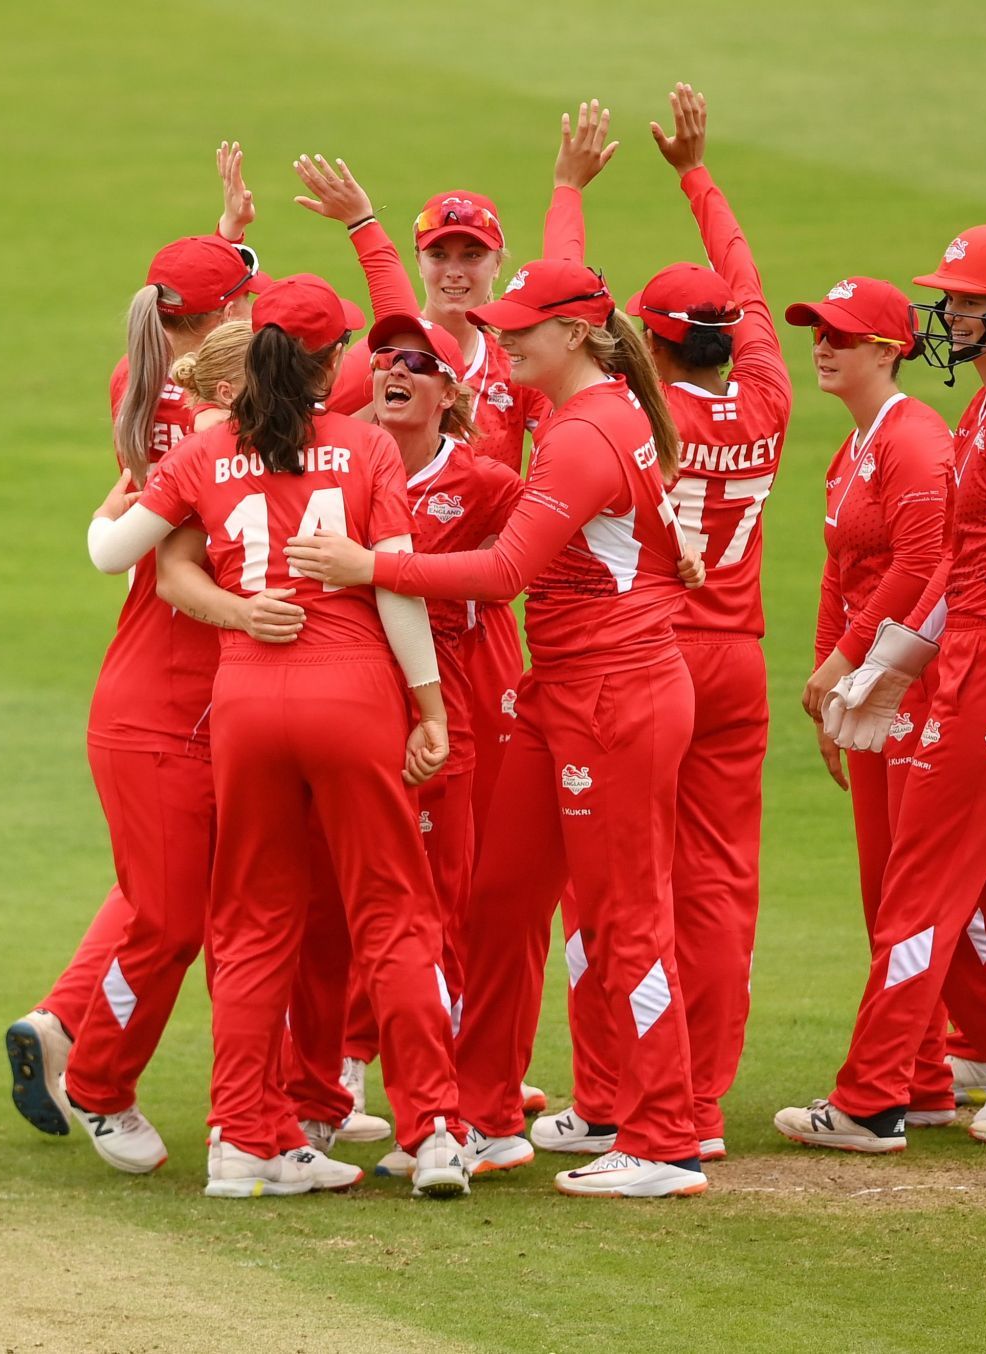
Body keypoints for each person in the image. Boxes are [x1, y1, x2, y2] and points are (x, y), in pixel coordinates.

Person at [290, 258, 709, 1199]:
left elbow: (504, 573)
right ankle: (478, 1117)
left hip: (617, 694)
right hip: (566, 690)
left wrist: (369, 568)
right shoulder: (590, 421)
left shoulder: (584, 432)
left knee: (626, 917)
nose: (504, 337)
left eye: (522, 326)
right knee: (502, 900)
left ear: (578, 335)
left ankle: (664, 1136)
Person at [86, 274, 471, 1201]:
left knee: (250, 925)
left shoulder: (210, 450)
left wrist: (143, 481)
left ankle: (241, 1142)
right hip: (350, 695)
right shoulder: (367, 445)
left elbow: (111, 553)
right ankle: (433, 1135)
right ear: (332, 361)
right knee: (392, 913)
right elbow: (394, 587)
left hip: (246, 703)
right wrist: (430, 708)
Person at [289, 114, 618, 1115]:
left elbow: (570, 298)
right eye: (444, 253)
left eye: (474, 254)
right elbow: (372, 349)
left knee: (472, 879)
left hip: (478, 642)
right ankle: (361, 1056)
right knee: (377, 863)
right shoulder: (398, 366)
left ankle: (469, 1073)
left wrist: (569, 190)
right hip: (384, 653)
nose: (459, 270)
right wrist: (368, 233)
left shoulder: (518, 365)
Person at [776, 226, 986, 1152]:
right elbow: (966, 565)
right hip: (978, 661)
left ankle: (874, 1096)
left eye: (966, 301)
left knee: (919, 882)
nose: (950, 314)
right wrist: (892, 664)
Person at [527, 84, 792, 1163]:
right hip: (740, 662)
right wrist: (699, 175)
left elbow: (565, 322)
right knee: (719, 884)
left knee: (616, 893)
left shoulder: (633, 416)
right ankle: (701, 1098)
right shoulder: (767, 392)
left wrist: (569, 192)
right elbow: (752, 286)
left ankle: (617, 1097)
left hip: (641, 655)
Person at [3, 145, 266, 1167]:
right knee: (174, 910)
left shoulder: (141, 377)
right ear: (218, 325)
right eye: (247, 298)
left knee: (167, 892)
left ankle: (63, 1021)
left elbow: (197, 336)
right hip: (176, 690)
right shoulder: (228, 433)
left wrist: (227, 243)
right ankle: (99, 1078)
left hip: (170, 679)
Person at [278, 314, 521, 1181]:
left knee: (430, 919)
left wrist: (675, 540)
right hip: (342, 707)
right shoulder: (335, 460)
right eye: (384, 357)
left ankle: (451, 1113)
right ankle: (323, 1094)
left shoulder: (486, 482)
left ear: (450, 393)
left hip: (436, 712)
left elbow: (541, 552)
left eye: (419, 362)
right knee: (323, 915)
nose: (394, 370)